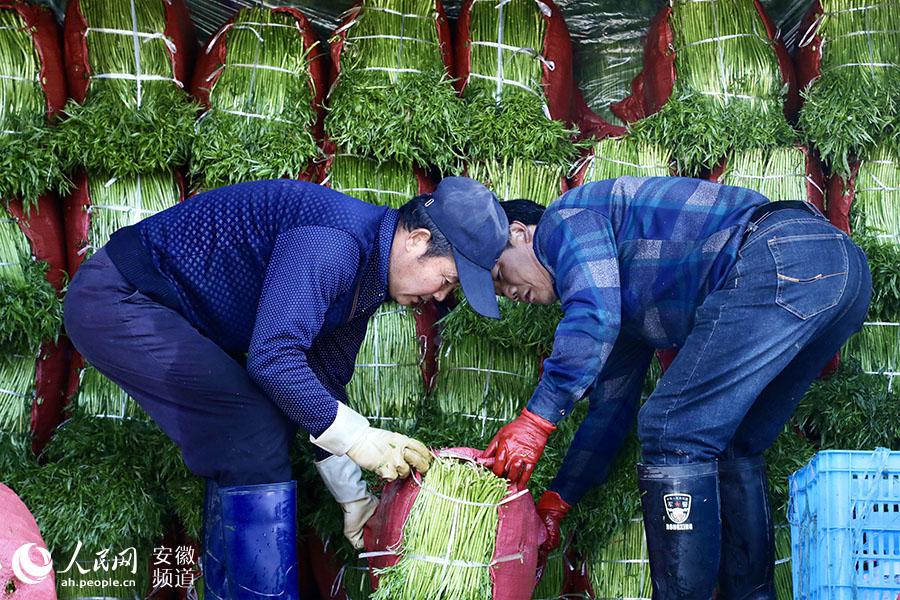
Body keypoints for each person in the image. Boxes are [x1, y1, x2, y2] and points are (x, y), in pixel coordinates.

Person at [63, 176, 509, 600]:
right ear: (416, 241)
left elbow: (322, 383)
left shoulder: (369, 275)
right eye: (447, 279)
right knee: (251, 429)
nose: (440, 296)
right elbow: (273, 359)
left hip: (171, 316)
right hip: (121, 298)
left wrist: (353, 496)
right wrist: (359, 438)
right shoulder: (336, 242)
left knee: (254, 430)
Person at [482, 176, 872, 598]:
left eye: (500, 274)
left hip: (782, 258)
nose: (508, 293)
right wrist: (559, 498)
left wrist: (535, 421)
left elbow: (593, 316)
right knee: (732, 443)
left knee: (672, 428)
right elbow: (610, 410)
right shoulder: (620, 300)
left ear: (520, 233)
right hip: (839, 272)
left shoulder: (565, 218)